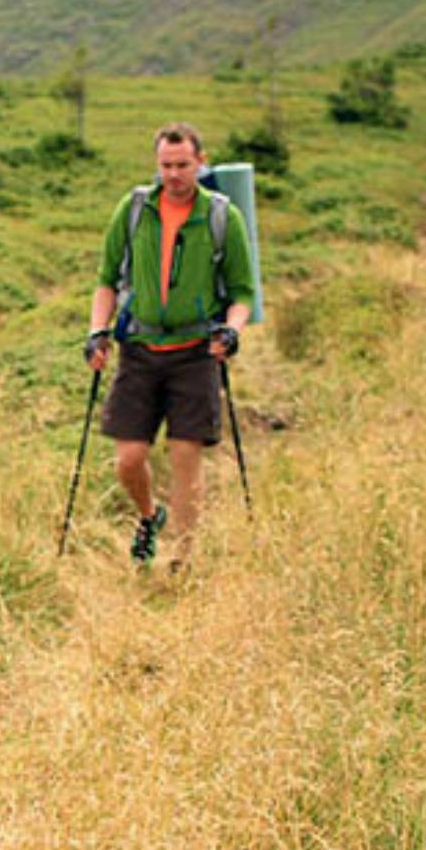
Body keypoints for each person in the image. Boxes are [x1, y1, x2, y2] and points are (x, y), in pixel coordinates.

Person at [83, 122, 255, 570]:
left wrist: (231, 330)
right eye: (165, 166)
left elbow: (242, 292)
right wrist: (97, 332)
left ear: (201, 161)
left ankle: (183, 558)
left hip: (196, 352)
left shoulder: (222, 216)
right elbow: (105, 279)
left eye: (182, 165)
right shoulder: (135, 208)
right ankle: (148, 517)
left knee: (185, 459)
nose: (173, 174)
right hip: (139, 349)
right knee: (129, 459)